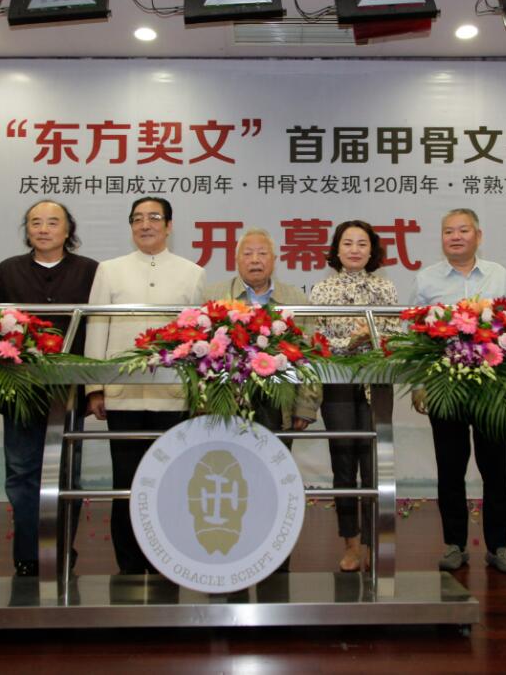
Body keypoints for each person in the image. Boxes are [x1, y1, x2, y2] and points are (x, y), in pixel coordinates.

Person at [84, 197, 206, 575]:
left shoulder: (192, 273)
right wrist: (95, 388)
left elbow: (200, 340)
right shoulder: (109, 270)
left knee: (171, 482)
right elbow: (97, 327)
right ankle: (130, 568)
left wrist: (199, 391)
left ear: (169, 226)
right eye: (137, 219)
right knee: (126, 483)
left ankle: (167, 562)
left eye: (154, 218)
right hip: (123, 397)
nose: (145, 225)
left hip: (173, 396)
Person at [0, 201, 99, 577]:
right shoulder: (8, 270)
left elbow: (95, 330)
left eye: (53, 223)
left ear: (68, 230)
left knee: (67, 475)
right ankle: (28, 554)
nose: (43, 229)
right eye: (35, 222)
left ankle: (61, 550)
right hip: (20, 388)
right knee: (22, 473)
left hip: (68, 389)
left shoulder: (89, 270)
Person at [411, 208, 506, 575]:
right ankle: (454, 544)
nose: (455, 237)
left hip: (492, 387)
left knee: (497, 470)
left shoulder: (498, 275)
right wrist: (420, 385)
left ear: (478, 235)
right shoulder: (426, 280)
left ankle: (499, 546)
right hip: (446, 388)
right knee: (450, 469)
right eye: (448, 231)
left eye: (463, 230)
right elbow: (416, 340)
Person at [310, 220, 398, 572]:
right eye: (347, 243)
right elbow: (316, 340)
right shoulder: (322, 290)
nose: (355, 250)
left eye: (362, 243)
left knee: (375, 465)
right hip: (338, 384)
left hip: (377, 381)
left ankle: (373, 544)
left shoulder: (386, 288)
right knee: (343, 463)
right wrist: (351, 341)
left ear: (372, 250)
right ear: (337, 249)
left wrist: (373, 338)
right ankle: (350, 544)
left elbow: (396, 335)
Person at [202, 227, 318, 433]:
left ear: (274, 260)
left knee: (274, 452)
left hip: (279, 401)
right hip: (226, 400)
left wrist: (305, 407)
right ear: (236, 260)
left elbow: (310, 356)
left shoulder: (295, 299)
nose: (255, 260)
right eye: (247, 254)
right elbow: (199, 355)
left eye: (262, 253)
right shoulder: (214, 296)